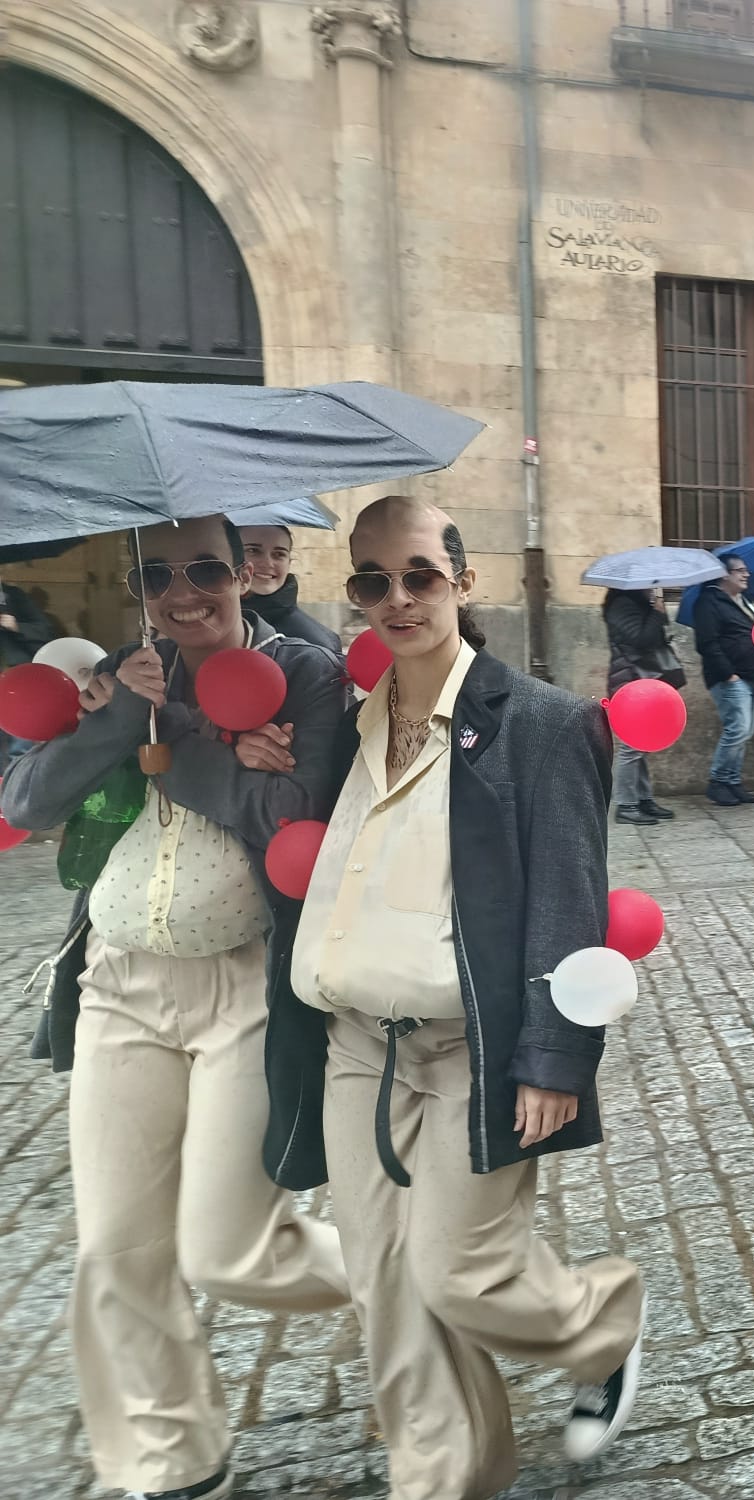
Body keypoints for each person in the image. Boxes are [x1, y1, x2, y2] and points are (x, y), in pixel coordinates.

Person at [292, 495, 646, 1498]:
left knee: (460, 1270)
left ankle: (600, 1324)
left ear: (462, 579)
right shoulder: (345, 726)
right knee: (385, 1287)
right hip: (357, 1044)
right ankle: (444, 1477)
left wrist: (554, 1058)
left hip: (472, 1044)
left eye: (419, 576)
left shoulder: (540, 723)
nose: (396, 599)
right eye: (372, 581)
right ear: (354, 592)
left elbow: (567, 901)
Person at [1, 515, 350, 1500]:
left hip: (243, 986)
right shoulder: (115, 675)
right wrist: (124, 721)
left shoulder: (307, 676)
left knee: (229, 1249)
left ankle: (413, 1274)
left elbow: (292, 824)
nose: (183, 592)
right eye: (158, 573)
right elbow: (27, 803)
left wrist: (187, 739)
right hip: (120, 987)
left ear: (244, 569)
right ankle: (173, 1461)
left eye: (205, 567)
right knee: (117, 1250)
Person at [692, 554, 754, 806]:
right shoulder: (709, 602)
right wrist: (729, 674)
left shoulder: (746, 601)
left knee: (744, 731)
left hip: (753, 676)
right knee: (737, 729)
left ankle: (733, 782)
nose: (746, 574)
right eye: (740, 571)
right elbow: (707, 643)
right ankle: (718, 782)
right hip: (730, 678)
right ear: (724, 574)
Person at [602, 586, 681, 823]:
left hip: (641, 679)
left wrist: (657, 610)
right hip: (629, 681)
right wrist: (656, 612)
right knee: (631, 746)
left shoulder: (636, 602)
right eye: (649, 583)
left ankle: (643, 798)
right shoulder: (621, 604)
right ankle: (626, 804)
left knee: (641, 743)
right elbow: (640, 640)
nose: (653, 586)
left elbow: (654, 635)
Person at [239, 523, 341, 651]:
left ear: (289, 563)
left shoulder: (315, 644)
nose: (268, 563)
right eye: (253, 551)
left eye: (279, 554)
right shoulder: (211, 625)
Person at [1, 574, 57, 766]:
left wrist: (14, 625)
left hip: (16, 679)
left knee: (18, 740)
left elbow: (44, 631)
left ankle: (16, 785)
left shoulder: (14, 596)